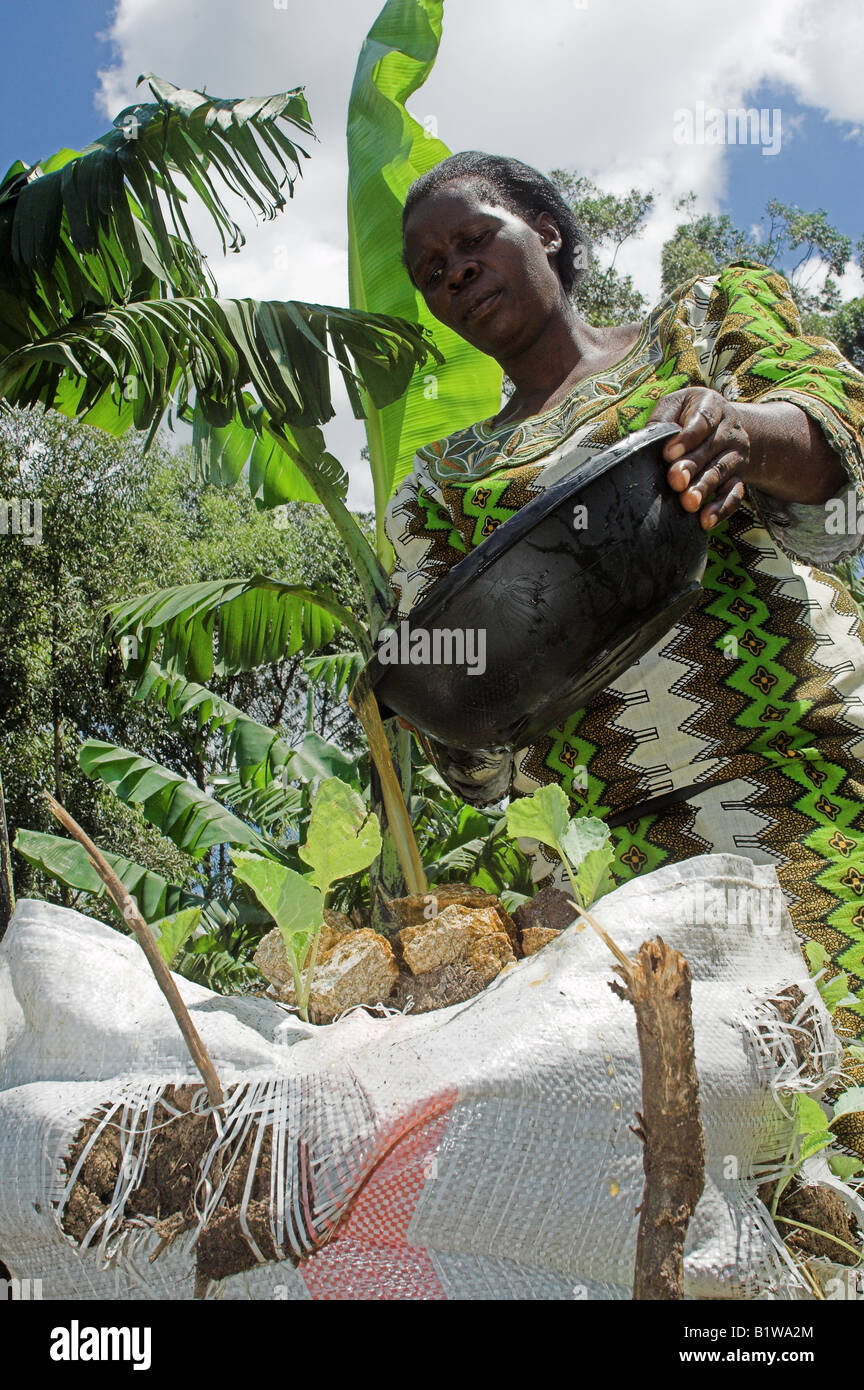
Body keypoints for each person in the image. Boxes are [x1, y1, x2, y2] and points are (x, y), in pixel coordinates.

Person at [384, 152, 864, 1142]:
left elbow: (839, 424)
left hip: (810, 791)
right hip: (616, 869)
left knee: (848, 1105)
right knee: (718, 1171)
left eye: (474, 239)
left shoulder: (699, 322)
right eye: (433, 271)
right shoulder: (439, 487)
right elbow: (466, 749)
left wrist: (743, 430)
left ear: (547, 231)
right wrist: (432, 686)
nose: (457, 272)